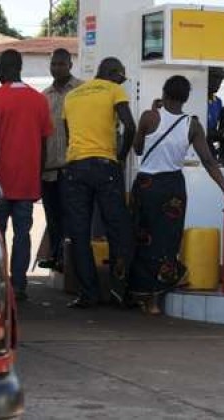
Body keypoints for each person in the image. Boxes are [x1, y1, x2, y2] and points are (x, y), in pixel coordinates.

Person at [131, 76, 224, 314]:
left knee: (142, 237)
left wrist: (153, 112)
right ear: (186, 98)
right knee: (167, 241)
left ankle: (139, 293)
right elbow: (208, 161)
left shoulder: (149, 117)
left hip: (147, 186)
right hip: (173, 188)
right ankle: (156, 300)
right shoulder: (193, 125)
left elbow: (137, 148)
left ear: (164, 93)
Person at [0, 49, 52, 302]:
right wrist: (38, 176)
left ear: (2, 69)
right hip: (28, 182)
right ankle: (19, 285)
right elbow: (44, 144)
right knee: (23, 234)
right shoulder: (39, 100)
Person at [63, 57, 136, 309]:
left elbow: (69, 135)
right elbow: (130, 126)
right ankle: (118, 291)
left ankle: (88, 293)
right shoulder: (114, 90)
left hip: (75, 167)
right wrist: (121, 157)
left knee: (79, 232)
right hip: (105, 166)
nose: (121, 82)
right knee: (117, 229)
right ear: (114, 73)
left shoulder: (72, 95)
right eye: (121, 77)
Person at [40, 48, 83, 271]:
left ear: (70, 65)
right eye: (53, 64)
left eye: (61, 64)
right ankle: (56, 256)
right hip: (48, 168)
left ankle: (70, 259)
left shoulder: (82, 90)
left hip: (73, 166)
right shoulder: (43, 96)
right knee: (52, 216)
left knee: (72, 216)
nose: (56, 68)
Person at [206, 67, 224, 156]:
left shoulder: (218, 102)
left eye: (221, 78)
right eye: (215, 77)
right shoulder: (197, 99)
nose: (218, 82)